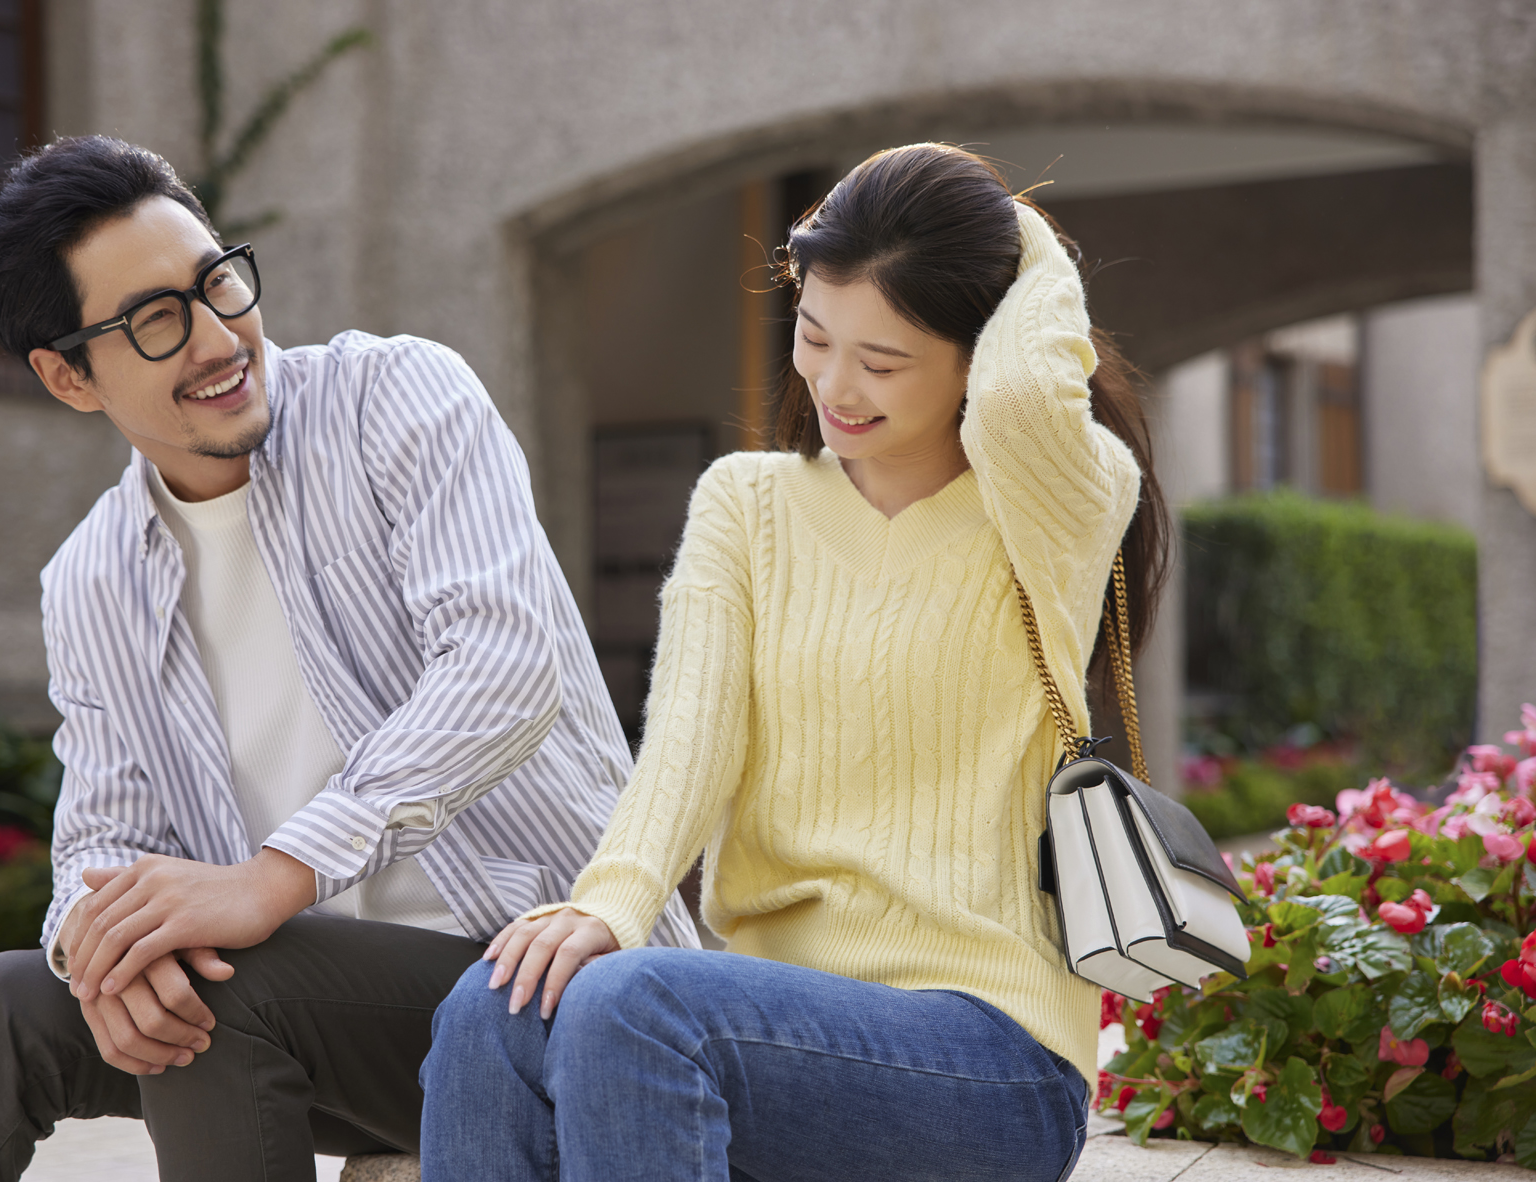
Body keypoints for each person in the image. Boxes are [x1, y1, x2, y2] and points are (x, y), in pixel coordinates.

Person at [0, 135, 698, 1182]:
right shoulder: (93, 577)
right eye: (154, 321)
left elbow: (501, 665)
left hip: (543, 986)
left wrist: (275, 878)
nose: (215, 337)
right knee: (10, 1002)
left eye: (216, 282)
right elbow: (103, 836)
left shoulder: (398, 399)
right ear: (68, 377)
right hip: (327, 1017)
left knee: (230, 983)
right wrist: (97, 954)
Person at [419, 142, 1169, 1182]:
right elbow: (689, 731)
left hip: (983, 1053)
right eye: (814, 337)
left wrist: (1011, 232)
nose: (833, 384)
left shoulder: (1060, 502)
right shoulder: (746, 503)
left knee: (637, 1006)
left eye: (884, 359)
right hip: (766, 1029)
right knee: (495, 1003)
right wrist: (611, 900)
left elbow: (1025, 400)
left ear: (982, 348)